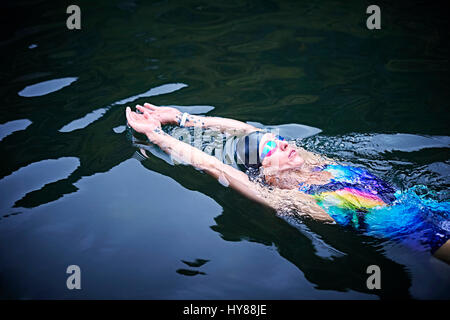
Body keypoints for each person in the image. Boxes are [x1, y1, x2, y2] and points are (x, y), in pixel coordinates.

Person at [125, 103, 450, 264]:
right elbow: (211, 164)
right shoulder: (293, 200)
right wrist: (157, 137)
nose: (283, 143)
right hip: (429, 239)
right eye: (272, 148)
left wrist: (180, 118)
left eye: (277, 139)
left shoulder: (313, 164)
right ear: (266, 173)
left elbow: (241, 129)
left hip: (430, 203)